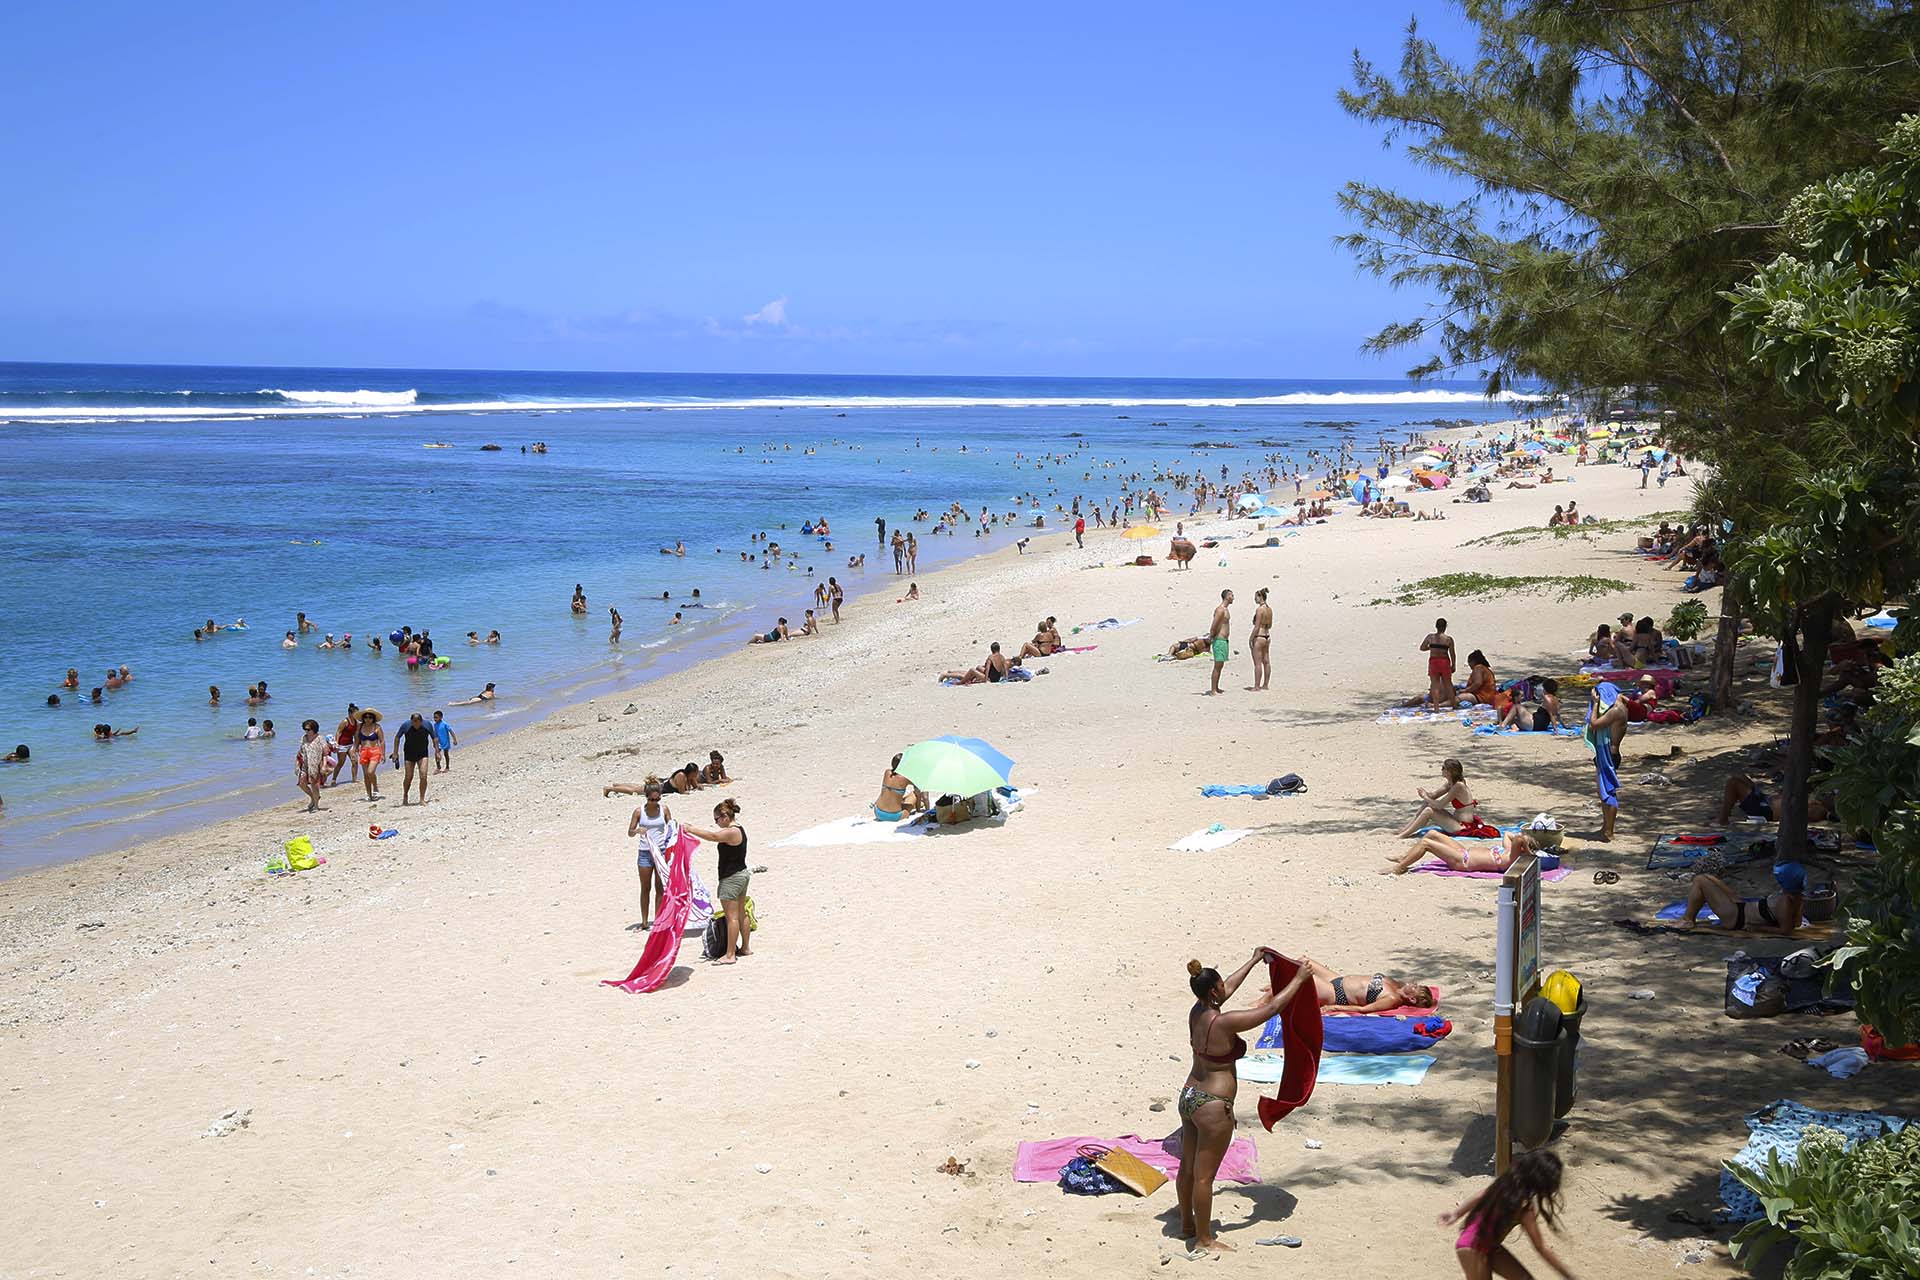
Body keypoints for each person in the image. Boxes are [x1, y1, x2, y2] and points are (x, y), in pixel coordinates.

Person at [1177, 951, 1312, 1254]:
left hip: (1188, 1096)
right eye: (1221, 987)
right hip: (1213, 1104)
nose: (1226, 989)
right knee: (1204, 1177)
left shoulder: (1197, 1012)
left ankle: (1187, 1223)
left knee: (1187, 1167)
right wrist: (1300, 979)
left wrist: (1253, 962)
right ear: (1214, 992)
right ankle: (1203, 1239)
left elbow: (1227, 990)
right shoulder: (1225, 1023)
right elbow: (1274, 1007)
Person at [1440, 1149, 1573, 1279]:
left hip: (1490, 1246)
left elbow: (1481, 1194)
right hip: (1472, 1248)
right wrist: (1567, 1275)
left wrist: (1456, 1214)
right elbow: (1541, 1248)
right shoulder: (1525, 1208)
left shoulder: (1505, 1186)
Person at [681, 799, 751, 964]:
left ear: (725, 816)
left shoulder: (731, 832)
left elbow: (713, 836)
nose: (716, 823)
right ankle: (745, 948)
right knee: (741, 913)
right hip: (741, 874)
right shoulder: (738, 829)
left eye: (716, 819)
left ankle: (730, 954)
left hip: (731, 879)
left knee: (732, 917)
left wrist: (691, 829)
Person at [1682, 861, 1809, 934]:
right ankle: (1688, 918)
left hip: (1737, 917)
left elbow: (1786, 930)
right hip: (1742, 909)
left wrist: (1758, 928)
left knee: (1700, 880)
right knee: (1707, 877)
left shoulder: (1785, 901)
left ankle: (1688, 919)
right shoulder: (1798, 897)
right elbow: (1796, 923)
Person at [1382, 827, 1539, 875]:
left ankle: (1399, 868)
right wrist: (1525, 843)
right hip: (1465, 851)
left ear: (1524, 849)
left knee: (1426, 843)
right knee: (1432, 834)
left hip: (1463, 861)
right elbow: (1508, 834)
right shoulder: (1509, 851)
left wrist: (1528, 848)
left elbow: (1518, 837)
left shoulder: (1513, 858)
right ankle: (1404, 857)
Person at [1306, 959, 1437, 1013]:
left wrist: (1334, 1007)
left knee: (1299, 973)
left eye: (1415, 987)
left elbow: (1364, 1009)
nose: (1413, 984)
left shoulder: (1392, 999)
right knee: (1304, 961)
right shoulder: (1397, 985)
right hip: (1336, 979)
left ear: (1412, 999)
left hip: (1335, 994)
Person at [626, 778, 670, 931]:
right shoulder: (639, 812)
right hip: (645, 852)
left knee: (660, 887)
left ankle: (658, 920)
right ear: (646, 797)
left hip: (661, 851)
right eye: (652, 799)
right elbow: (629, 832)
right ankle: (644, 922)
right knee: (645, 888)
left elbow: (671, 827)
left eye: (657, 799)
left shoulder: (664, 809)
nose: (654, 802)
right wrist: (637, 830)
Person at [1395, 758, 1479, 837]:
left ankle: (1402, 835)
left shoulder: (1459, 785)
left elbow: (1440, 805)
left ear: (1450, 772)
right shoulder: (1451, 783)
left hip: (1463, 827)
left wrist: (1424, 796)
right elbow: (1434, 795)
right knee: (1427, 804)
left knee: (1429, 811)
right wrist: (1425, 793)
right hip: (1456, 821)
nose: (1441, 769)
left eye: (1443, 768)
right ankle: (1405, 830)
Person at [1587, 684, 1629, 841]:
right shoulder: (1621, 706)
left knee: (1608, 792)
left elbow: (1594, 724)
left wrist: (1596, 703)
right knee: (1602, 791)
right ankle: (1605, 827)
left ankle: (1609, 831)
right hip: (1609, 753)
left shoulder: (1616, 710)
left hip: (1609, 754)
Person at [872, 753, 925, 821]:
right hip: (895, 816)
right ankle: (918, 810)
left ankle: (918, 805)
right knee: (914, 795)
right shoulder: (906, 778)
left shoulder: (887, 772)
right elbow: (918, 787)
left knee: (899, 796)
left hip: (878, 812)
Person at [393, 713, 432, 804]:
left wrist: (437, 751)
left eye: (418, 723)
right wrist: (395, 753)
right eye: (414, 723)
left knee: (423, 775)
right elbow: (397, 737)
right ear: (411, 721)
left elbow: (434, 737)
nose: (416, 725)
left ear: (421, 721)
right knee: (409, 776)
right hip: (409, 754)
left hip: (423, 754)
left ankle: (422, 799)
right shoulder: (406, 725)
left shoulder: (427, 725)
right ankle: (405, 794)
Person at [1498, 677, 1562, 731]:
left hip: (1535, 724)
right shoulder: (1556, 699)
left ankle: (1503, 726)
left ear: (1545, 689)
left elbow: (1552, 715)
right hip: (1542, 725)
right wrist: (1564, 726)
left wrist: (1555, 729)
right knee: (1514, 718)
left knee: (1516, 707)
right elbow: (1557, 714)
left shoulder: (1547, 698)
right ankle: (1513, 727)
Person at [295, 720, 327, 813]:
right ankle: (314, 797)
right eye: (305, 729)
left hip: (316, 764)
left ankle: (316, 806)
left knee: (314, 784)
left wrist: (324, 765)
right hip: (305, 764)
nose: (306, 731)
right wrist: (297, 764)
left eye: (308, 729)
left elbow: (325, 754)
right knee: (301, 783)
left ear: (314, 729)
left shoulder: (320, 738)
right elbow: (300, 752)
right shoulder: (304, 738)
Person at [940, 642, 1011, 685]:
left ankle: (960, 682)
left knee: (972, 670)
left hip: (990, 679)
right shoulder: (1002, 657)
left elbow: (988, 669)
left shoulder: (991, 657)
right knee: (978, 667)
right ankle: (952, 673)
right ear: (999, 649)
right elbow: (1005, 669)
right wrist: (1006, 678)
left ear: (992, 650)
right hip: (996, 678)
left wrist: (985, 680)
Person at [354, 709, 386, 802]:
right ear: (363, 718)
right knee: (366, 775)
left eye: (370, 717)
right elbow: (356, 739)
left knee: (370, 772)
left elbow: (382, 741)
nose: (368, 719)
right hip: (363, 751)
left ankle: (375, 787)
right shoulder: (360, 727)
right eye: (366, 717)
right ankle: (369, 794)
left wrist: (383, 754)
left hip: (375, 751)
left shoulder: (377, 727)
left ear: (373, 718)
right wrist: (354, 750)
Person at [1206, 589, 1233, 695]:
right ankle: (1213, 689)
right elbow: (1214, 625)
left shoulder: (1226, 609)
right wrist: (1211, 637)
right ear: (1226, 596)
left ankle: (1216, 687)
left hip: (1224, 640)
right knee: (1217, 665)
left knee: (1220, 665)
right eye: (1231, 595)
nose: (1233, 597)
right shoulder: (1220, 610)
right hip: (1219, 639)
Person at [1249, 588, 1273, 692]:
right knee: (1266, 661)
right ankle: (1265, 684)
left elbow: (1257, 626)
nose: (1255, 599)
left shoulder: (1260, 610)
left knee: (1257, 663)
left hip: (1259, 636)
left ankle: (1257, 686)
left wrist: (1251, 638)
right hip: (1267, 635)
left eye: (1256, 597)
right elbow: (1270, 625)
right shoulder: (1269, 609)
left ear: (1260, 597)